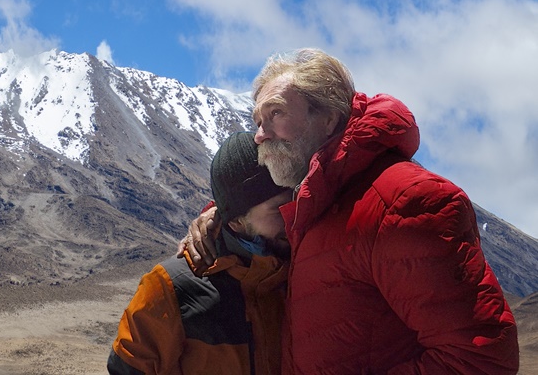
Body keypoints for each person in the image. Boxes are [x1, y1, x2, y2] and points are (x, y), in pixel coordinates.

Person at [184, 48, 519, 374]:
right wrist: (225, 217)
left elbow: (480, 359)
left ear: (329, 118)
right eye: (258, 121)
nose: (259, 135)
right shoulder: (313, 205)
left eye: (276, 113)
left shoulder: (403, 203)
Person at [108, 131, 293, 375]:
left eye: (296, 201)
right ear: (236, 221)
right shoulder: (172, 286)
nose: (292, 217)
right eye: (278, 210)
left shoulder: (301, 268)